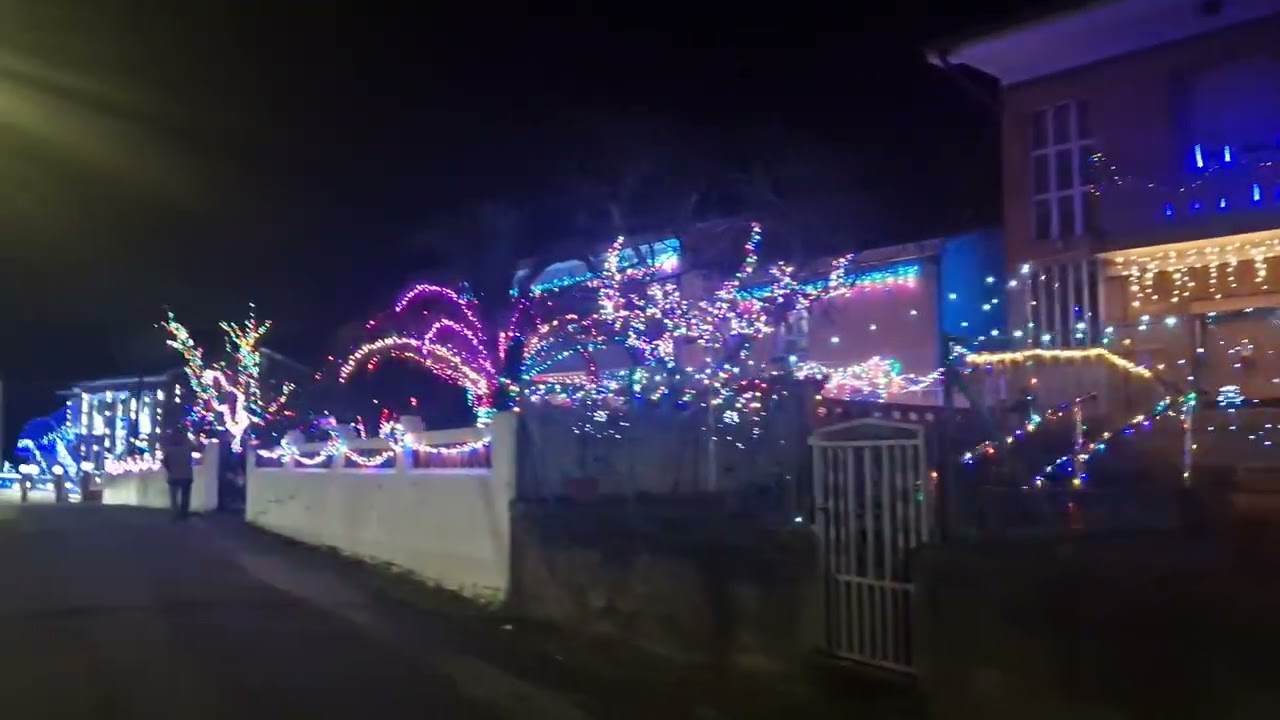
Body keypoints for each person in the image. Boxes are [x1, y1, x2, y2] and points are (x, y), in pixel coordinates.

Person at [162, 430, 197, 520]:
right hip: (186, 475)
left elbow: (165, 462)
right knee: (185, 496)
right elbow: (198, 448)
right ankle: (184, 514)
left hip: (174, 475)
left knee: (174, 497)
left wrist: (170, 470)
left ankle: (175, 514)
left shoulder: (170, 449)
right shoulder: (188, 447)